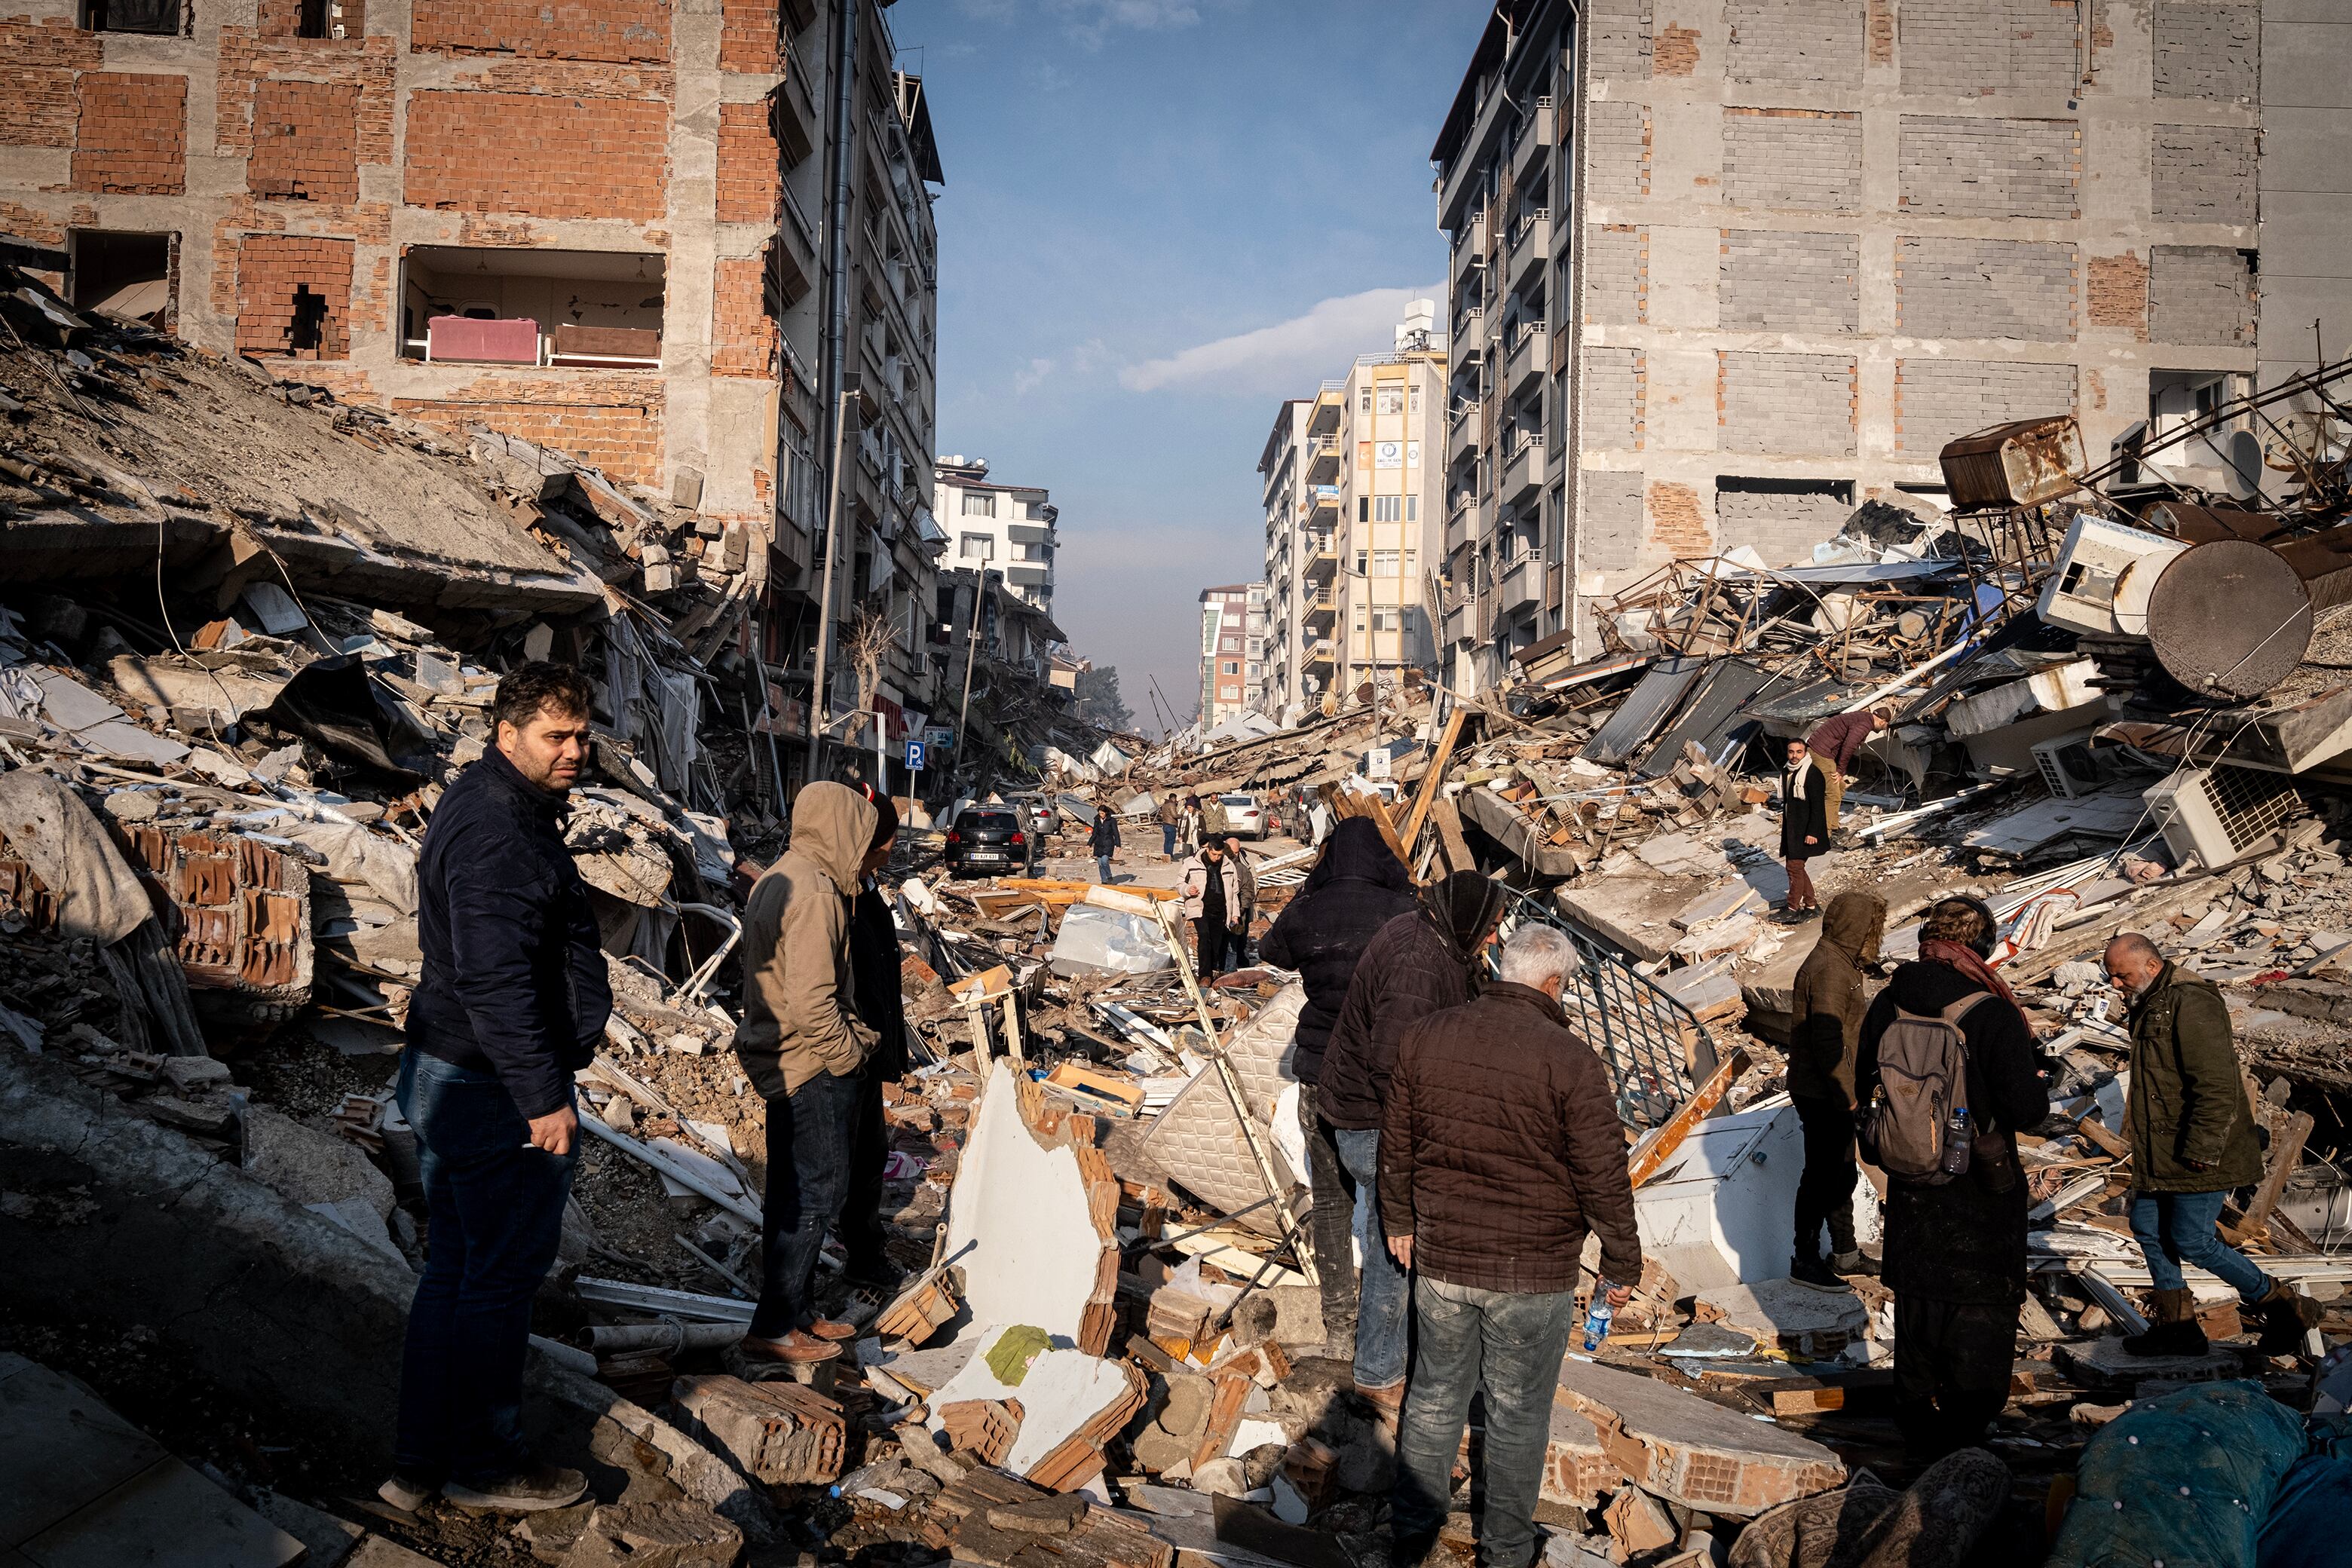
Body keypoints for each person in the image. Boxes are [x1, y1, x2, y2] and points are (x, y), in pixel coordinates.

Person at [386, 662, 608, 1514]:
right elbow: (494, 978)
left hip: (461, 1073)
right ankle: (486, 1466)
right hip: (488, 1086)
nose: (574, 751)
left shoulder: (493, 804)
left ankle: (416, 1467)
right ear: (507, 733)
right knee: (494, 1282)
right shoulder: (498, 829)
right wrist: (541, 1096)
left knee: (455, 1270)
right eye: (556, 735)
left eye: (582, 734)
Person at [1382, 924, 1642, 1568]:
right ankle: (1504, 1550)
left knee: (1435, 1395)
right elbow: (1602, 1173)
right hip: (1534, 1268)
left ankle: (1411, 1535)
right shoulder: (1572, 1059)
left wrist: (1398, 1219)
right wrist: (1621, 1262)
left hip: (1444, 1257)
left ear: (1503, 965)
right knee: (1518, 1413)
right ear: (1552, 984)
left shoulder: (1427, 1036)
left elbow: (1398, 1141)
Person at [1854, 896, 2049, 1460]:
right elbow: (2026, 1109)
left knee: (1919, 1303)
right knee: (1980, 1307)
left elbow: (1867, 1077)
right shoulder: (1988, 1011)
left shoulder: (1889, 1003)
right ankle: (1965, 1433)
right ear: (1981, 946)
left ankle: (1916, 1421)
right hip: (1980, 1186)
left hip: (1913, 1179)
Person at [1315, 871, 1509, 1416]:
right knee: (1395, 1245)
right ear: (1467, 919)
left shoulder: (1431, 937)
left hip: (1367, 1111)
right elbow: (1392, 1068)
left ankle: (1390, 1363)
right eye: (1490, 928)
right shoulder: (1417, 968)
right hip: (1375, 1121)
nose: (1493, 939)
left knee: (1393, 1239)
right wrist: (1417, 1146)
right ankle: (1380, 1373)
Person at [2106, 932, 2323, 1356]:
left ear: (2151, 965)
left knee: (2193, 1240)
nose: (2115, 984)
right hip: (2160, 1150)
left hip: (2200, 1150)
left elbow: (2217, 1086)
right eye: (2110, 976)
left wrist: (2203, 1149)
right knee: (2148, 1228)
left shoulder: (2191, 1002)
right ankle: (2179, 1329)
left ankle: (2287, 1307)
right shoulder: (2152, 1001)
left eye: (2122, 975)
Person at [1257, 819, 1420, 1377]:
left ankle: (1338, 1327)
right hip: (1380, 1083)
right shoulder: (1400, 913)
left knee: (1332, 1203)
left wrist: (1312, 889)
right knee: (1386, 1207)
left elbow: (1271, 950)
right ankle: (1383, 1340)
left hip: (1317, 1074)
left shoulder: (1311, 908)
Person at [737, 781, 880, 1365]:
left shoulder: (779, 875)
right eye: (862, 832)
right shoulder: (817, 893)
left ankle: (793, 1311)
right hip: (811, 1064)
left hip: (782, 1057)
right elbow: (814, 1002)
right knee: (816, 1195)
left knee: (792, 1194)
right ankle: (775, 1326)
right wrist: (848, 1058)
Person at [1787, 890, 1887, 1290]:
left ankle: (1844, 1252)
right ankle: (1805, 1259)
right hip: (1823, 1093)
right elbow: (1828, 1042)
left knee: (1841, 1172)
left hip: (1829, 1089)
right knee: (1821, 1177)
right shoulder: (1830, 969)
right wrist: (1847, 1096)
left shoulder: (1839, 962)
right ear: (1858, 930)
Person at [841, 786, 908, 1298]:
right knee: (832, 1169)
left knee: (867, 1159)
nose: (890, 851)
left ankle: (863, 1255)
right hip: (840, 1058)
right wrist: (852, 1051)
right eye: (886, 841)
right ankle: (790, 1299)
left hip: (863, 1052)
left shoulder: (864, 891)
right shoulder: (832, 896)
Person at [1805, 706, 1891, 838]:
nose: (1883, 729)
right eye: (1885, 726)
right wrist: (1840, 770)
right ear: (1882, 721)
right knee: (1832, 794)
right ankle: (1825, 836)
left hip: (1823, 750)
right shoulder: (1864, 725)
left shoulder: (1863, 717)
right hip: (1820, 752)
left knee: (1839, 787)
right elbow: (1849, 746)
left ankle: (1833, 827)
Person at [1778, 737, 1830, 921]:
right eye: (1791, 751)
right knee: (1797, 868)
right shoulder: (1787, 771)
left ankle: (1792, 908)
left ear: (1805, 753)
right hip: (1793, 828)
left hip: (1807, 830)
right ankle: (1811, 905)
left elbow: (1818, 806)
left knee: (1794, 867)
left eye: (1799, 752)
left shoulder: (1812, 773)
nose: (1794, 756)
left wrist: (1813, 832)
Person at [1178, 838, 1244, 978]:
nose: (1216, 858)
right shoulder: (1191, 863)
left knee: (1216, 943)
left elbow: (1235, 893)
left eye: (1219, 855)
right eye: (1214, 854)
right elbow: (1179, 884)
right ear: (1208, 850)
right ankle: (1204, 975)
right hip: (1199, 907)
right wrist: (1188, 889)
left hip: (1221, 910)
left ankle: (1213, 972)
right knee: (1204, 937)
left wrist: (1235, 915)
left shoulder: (1229, 866)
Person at [1226, 835, 1257, 963]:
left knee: (1240, 938)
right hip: (1226, 909)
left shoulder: (1245, 865)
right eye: (1232, 852)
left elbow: (1250, 888)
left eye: (1236, 852)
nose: (1234, 855)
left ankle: (1241, 964)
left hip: (1241, 910)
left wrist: (1242, 909)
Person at [1089, 804, 1122, 884]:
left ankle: (1109, 875)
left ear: (1106, 813)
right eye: (1100, 813)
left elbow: (1116, 833)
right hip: (1098, 844)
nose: (1101, 815)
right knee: (1100, 864)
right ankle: (1104, 880)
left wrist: (1118, 845)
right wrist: (1089, 843)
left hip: (1108, 844)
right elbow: (1094, 833)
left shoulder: (1112, 821)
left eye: (1102, 813)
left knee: (1104, 861)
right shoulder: (1097, 820)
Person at [1156, 792, 1181, 859]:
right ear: (1173, 798)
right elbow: (1174, 815)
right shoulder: (1172, 804)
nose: (1176, 800)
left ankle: (1166, 855)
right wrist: (1181, 816)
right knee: (1171, 841)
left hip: (1165, 824)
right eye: (1176, 799)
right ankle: (1170, 856)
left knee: (1167, 841)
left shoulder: (1165, 805)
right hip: (1171, 825)